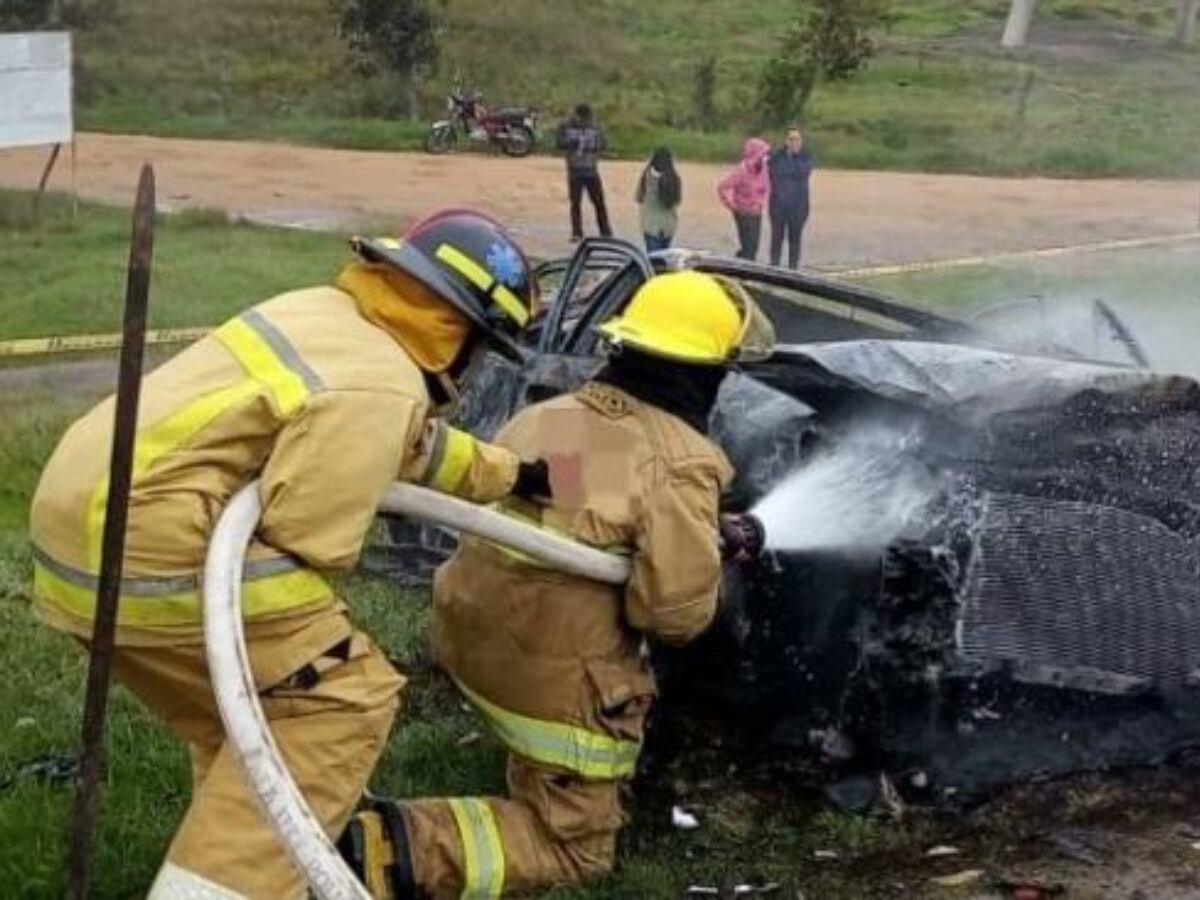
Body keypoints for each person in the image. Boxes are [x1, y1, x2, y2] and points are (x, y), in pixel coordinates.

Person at [29, 209, 552, 900]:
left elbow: (409, 444)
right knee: (340, 699)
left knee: (251, 711)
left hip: (83, 525)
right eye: (483, 347)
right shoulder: (382, 382)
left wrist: (515, 475)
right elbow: (311, 535)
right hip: (155, 549)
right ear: (456, 330)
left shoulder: (328, 317)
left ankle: (246, 863)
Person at [341, 271, 771, 898]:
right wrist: (708, 561)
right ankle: (387, 846)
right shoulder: (682, 458)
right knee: (577, 853)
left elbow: (576, 510)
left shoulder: (553, 417)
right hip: (548, 686)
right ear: (708, 373)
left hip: (470, 641)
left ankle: (529, 774)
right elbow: (674, 616)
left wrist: (692, 526)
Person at [556, 103, 612, 242]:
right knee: (575, 203)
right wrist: (571, 143)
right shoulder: (566, 126)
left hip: (591, 170)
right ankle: (577, 232)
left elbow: (604, 144)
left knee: (599, 202)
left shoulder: (595, 127)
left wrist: (592, 144)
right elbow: (558, 142)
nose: (584, 121)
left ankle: (605, 231)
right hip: (574, 170)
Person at [767, 125, 815, 269]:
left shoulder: (807, 157)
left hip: (798, 207)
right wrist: (786, 162)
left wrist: (789, 162)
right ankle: (774, 267)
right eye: (791, 139)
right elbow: (773, 172)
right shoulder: (776, 157)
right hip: (777, 206)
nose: (794, 142)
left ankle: (793, 269)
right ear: (785, 141)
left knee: (795, 239)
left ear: (801, 141)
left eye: (797, 139)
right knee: (776, 238)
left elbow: (801, 172)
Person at [716, 137, 771, 261]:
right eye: (763, 154)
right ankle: (741, 269)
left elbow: (767, 187)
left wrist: (761, 203)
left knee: (753, 247)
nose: (765, 157)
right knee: (748, 249)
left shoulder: (764, 169)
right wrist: (732, 206)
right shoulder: (742, 171)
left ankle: (741, 264)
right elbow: (722, 187)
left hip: (756, 212)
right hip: (743, 213)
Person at [635, 146, 682, 253]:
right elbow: (677, 201)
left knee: (654, 261)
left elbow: (639, 197)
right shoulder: (674, 178)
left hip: (650, 225)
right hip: (669, 226)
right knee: (664, 258)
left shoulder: (646, 177)